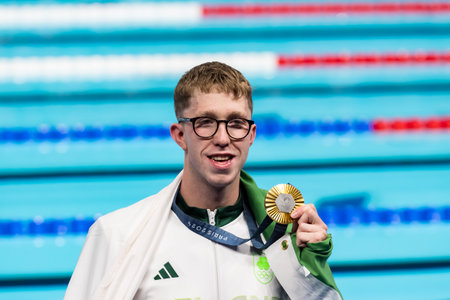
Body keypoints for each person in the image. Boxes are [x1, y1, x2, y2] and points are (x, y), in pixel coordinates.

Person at [64, 62, 342, 300]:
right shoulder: (117, 236)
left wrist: (313, 264)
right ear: (180, 135)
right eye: (206, 122)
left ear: (251, 135)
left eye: (235, 123)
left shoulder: (282, 235)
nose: (223, 139)